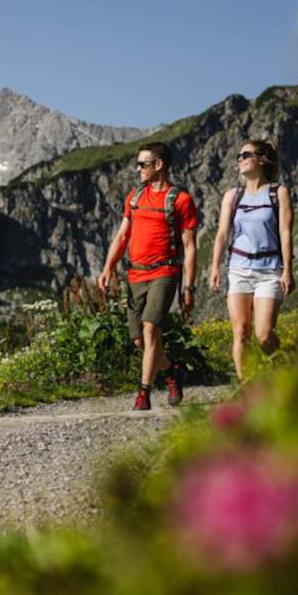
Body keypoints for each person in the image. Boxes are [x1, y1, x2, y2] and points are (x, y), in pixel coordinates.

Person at [97, 142, 199, 410]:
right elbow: (122, 235)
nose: (138, 169)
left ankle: (144, 393)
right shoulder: (135, 196)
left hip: (165, 272)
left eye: (143, 164)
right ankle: (172, 370)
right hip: (135, 273)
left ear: (159, 165)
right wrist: (108, 267)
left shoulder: (181, 200)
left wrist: (188, 288)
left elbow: (190, 247)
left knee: (151, 328)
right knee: (140, 340)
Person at [208, 139, 294, 381]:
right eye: (238, 156)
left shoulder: (279, 193)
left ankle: (285, 371)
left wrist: (288, 270)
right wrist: (215, 266)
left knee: (264, 334)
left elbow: (286, 233)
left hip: (269, 271)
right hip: (239, 269)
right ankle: (245, 387)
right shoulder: (232, 196)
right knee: (240, 332)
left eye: (246, 155)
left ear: (262, 159)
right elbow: (223, 233)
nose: (240, 159)